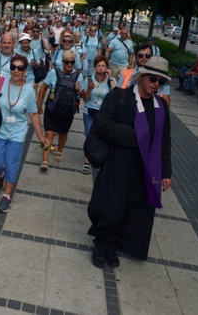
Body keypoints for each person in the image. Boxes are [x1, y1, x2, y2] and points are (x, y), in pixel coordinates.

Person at [87, 56, 172, 269]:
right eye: (153, 79)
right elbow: (103, 125)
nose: (156, 84)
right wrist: (137, 135)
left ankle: (114, 246)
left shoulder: (161, 106)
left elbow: (164, 139)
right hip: (117, 162)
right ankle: (101, 244)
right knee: (110, 207)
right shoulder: (119, 97)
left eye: (160, 82)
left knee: (133, 210)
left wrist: (166, 172)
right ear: (141, 76)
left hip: (144, 169)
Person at [0, 55, 46, 213]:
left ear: (25, 71)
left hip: (17, 135)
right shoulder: (0, 82)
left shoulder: (29, 91)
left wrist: (40, 135)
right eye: (13, 67)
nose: (15, 71)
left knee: (12, 165)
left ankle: (7, 196)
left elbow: (34, 114)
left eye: (20, 68)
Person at [37, 49, 81, 171]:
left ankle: (59, 150)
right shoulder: (53, 73)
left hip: (68, 111)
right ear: (62, 61)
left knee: (63, 133)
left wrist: (79, 90)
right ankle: (45, 160)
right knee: (49, 133)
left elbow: (84, 95)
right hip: (51, 109)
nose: (69, 65)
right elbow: (43, 88)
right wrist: (38, 104)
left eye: (72, 62)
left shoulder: (78, 76)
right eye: (67, 62)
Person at [79, 55, 116, 174]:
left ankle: (100, 159)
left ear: (107, 67)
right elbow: (84, 98)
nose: (101, 68)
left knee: (102, 137)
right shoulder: (89, 79)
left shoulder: (111, 81)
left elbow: (116, 95)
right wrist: (89, 89)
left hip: (103, 114)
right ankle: (86, 162)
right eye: (98, 66)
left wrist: (111, 78)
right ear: (95, 67)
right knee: (90, 136)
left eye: (103, 66)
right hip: (89, 111)